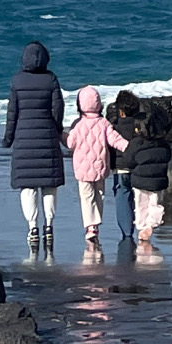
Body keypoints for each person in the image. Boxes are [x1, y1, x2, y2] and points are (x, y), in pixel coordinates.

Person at [0, 39, 66, 251]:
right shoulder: (51, 79)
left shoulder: (17, 81)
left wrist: (8, 138)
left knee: (27, 188)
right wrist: (56, 131)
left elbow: (12, 113)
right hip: (47, 137)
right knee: (49, 186)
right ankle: (49, 225)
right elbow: (58, 109)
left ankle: (32, 228)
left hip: (24, 139)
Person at [62, 85, 125, 248]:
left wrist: (59, 134)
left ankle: (90, 226)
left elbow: (70, 143)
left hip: (82, 169)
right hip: (100, 166)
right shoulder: (103, 123)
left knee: (86, 197)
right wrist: (131, 146)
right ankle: (96, 224)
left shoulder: (77, 124)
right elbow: (115, 140)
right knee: (99, 195)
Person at [118, 102, 171, 255]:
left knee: (141, 205)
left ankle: (142, 227)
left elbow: (129, 160)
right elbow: (167, 156)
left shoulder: (136, 143)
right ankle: (151, 225)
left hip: (139, 180)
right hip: (158, 181)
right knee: (155, 204)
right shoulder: (163, 143)